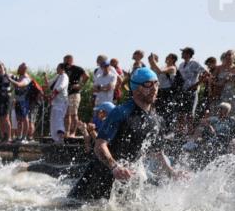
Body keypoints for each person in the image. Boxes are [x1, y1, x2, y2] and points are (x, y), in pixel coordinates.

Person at [68, 67, 182, 201]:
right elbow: (99, 146)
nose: (154, 88)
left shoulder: (156, 120)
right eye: (148, 84)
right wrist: (115, 167)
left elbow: (157, 152)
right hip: (98, 176)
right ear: (136, 88)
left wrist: (171, 172)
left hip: (126, 177)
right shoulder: (121, 112)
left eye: (156, 83)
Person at [62, 54, 88, 138]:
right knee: (67, 114)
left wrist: (80, 85)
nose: (64, 62)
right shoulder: (64, 69)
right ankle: (67, 132)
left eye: (66, 60)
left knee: (73, 114)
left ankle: (73, 132)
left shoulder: (77, 68)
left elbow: (86, 76)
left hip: (74, 93)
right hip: (66, 94)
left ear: (70, 60)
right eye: (64, 61)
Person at [212, 50, 235, 118]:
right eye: (227, 55)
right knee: (223, 111)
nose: (228, 57)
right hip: (222, 92)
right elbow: (212, 80)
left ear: (234, 57)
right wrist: (221, 82)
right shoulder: (219, 68)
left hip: (233, 92)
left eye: (230, 55)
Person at [47, 64, 69, 140]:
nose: (56, 69)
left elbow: (61, 87)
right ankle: (56, 139)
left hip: (61, 102)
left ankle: (61, 137)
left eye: (58, 68)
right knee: (54, 119)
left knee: (58, 119)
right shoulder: (58, 76)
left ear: (62, 69)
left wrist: (53, 94)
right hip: (55, 102)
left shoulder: (65, 76)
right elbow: (49, 83)